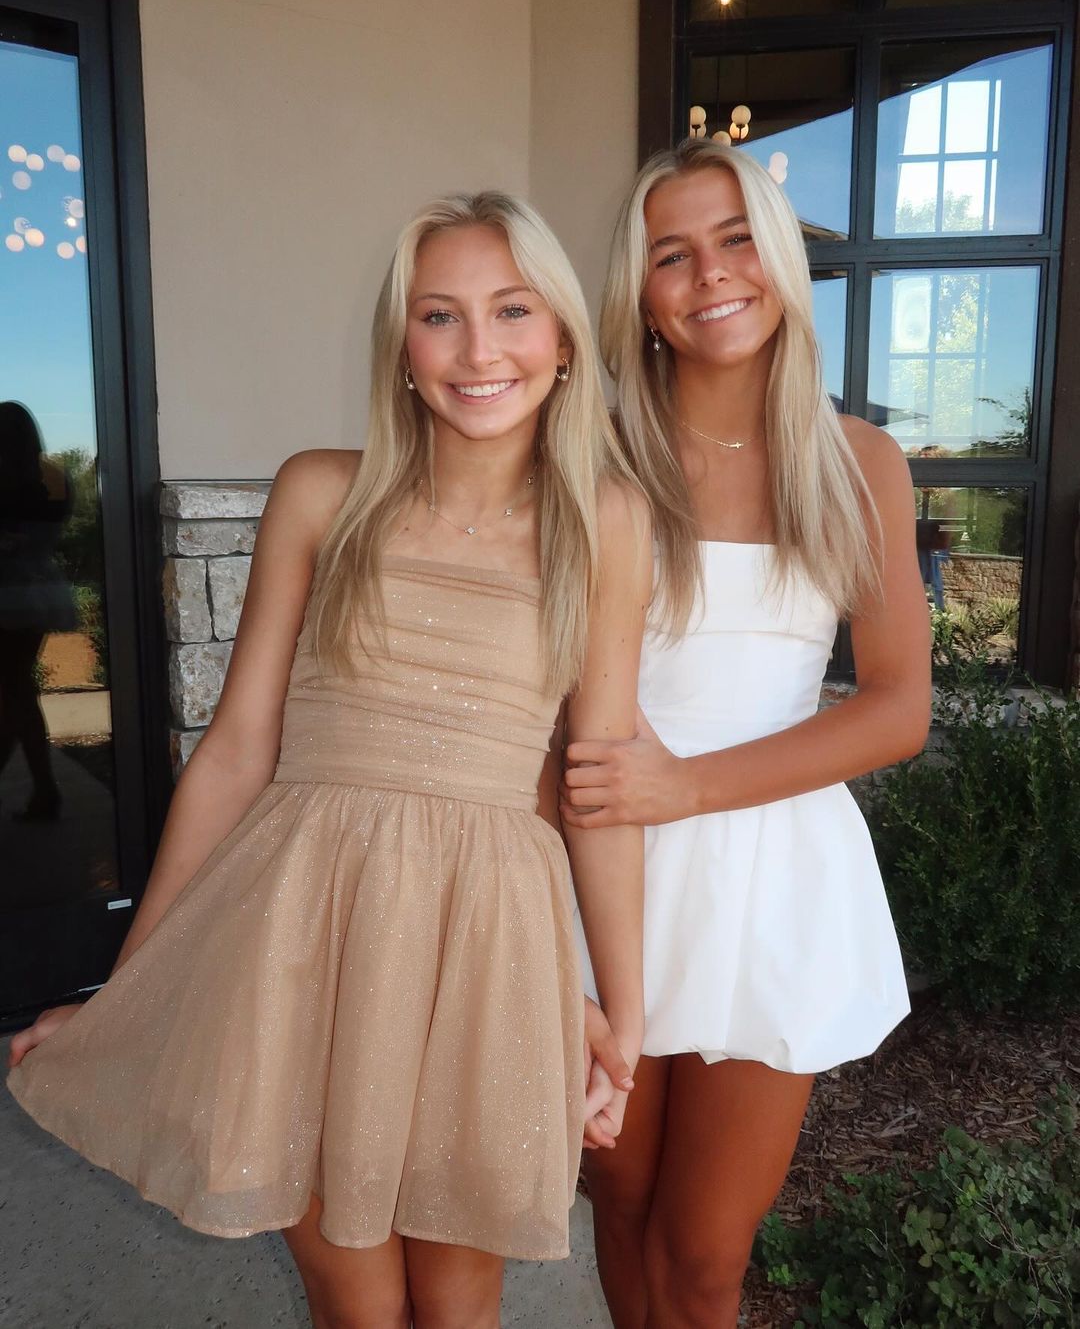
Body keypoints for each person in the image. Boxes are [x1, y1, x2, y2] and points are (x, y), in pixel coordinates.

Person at [8, 191, 651, 1329]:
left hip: (487, 942)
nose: (479, 349)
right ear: (401, 348)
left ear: (561, 338)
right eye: (439, 315)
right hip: (304, 930)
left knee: (459, 1303)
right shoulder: (323, 490)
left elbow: (593, 787)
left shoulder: (606, 521)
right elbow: (235, 751)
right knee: (355, 1304)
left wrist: (617, 1016)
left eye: (512, 309)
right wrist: (130, 988)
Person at [561, 141, 932, 1329]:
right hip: (600, 864)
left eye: (736, 240)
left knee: (706, 1252)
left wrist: (685, 786)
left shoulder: (857, 458)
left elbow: (898, 707)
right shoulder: (589, 449)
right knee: (619, 1197)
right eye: (672, 253)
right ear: (640, 294)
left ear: (778, 261)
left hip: (770, 873)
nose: (711, 273)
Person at [0, 401, 77, 823]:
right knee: (17, 691)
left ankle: (46, 792)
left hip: (12, 593)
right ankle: (45, 791)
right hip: (37, 589)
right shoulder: (53, 479)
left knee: (14, 692)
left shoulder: (11, 482)